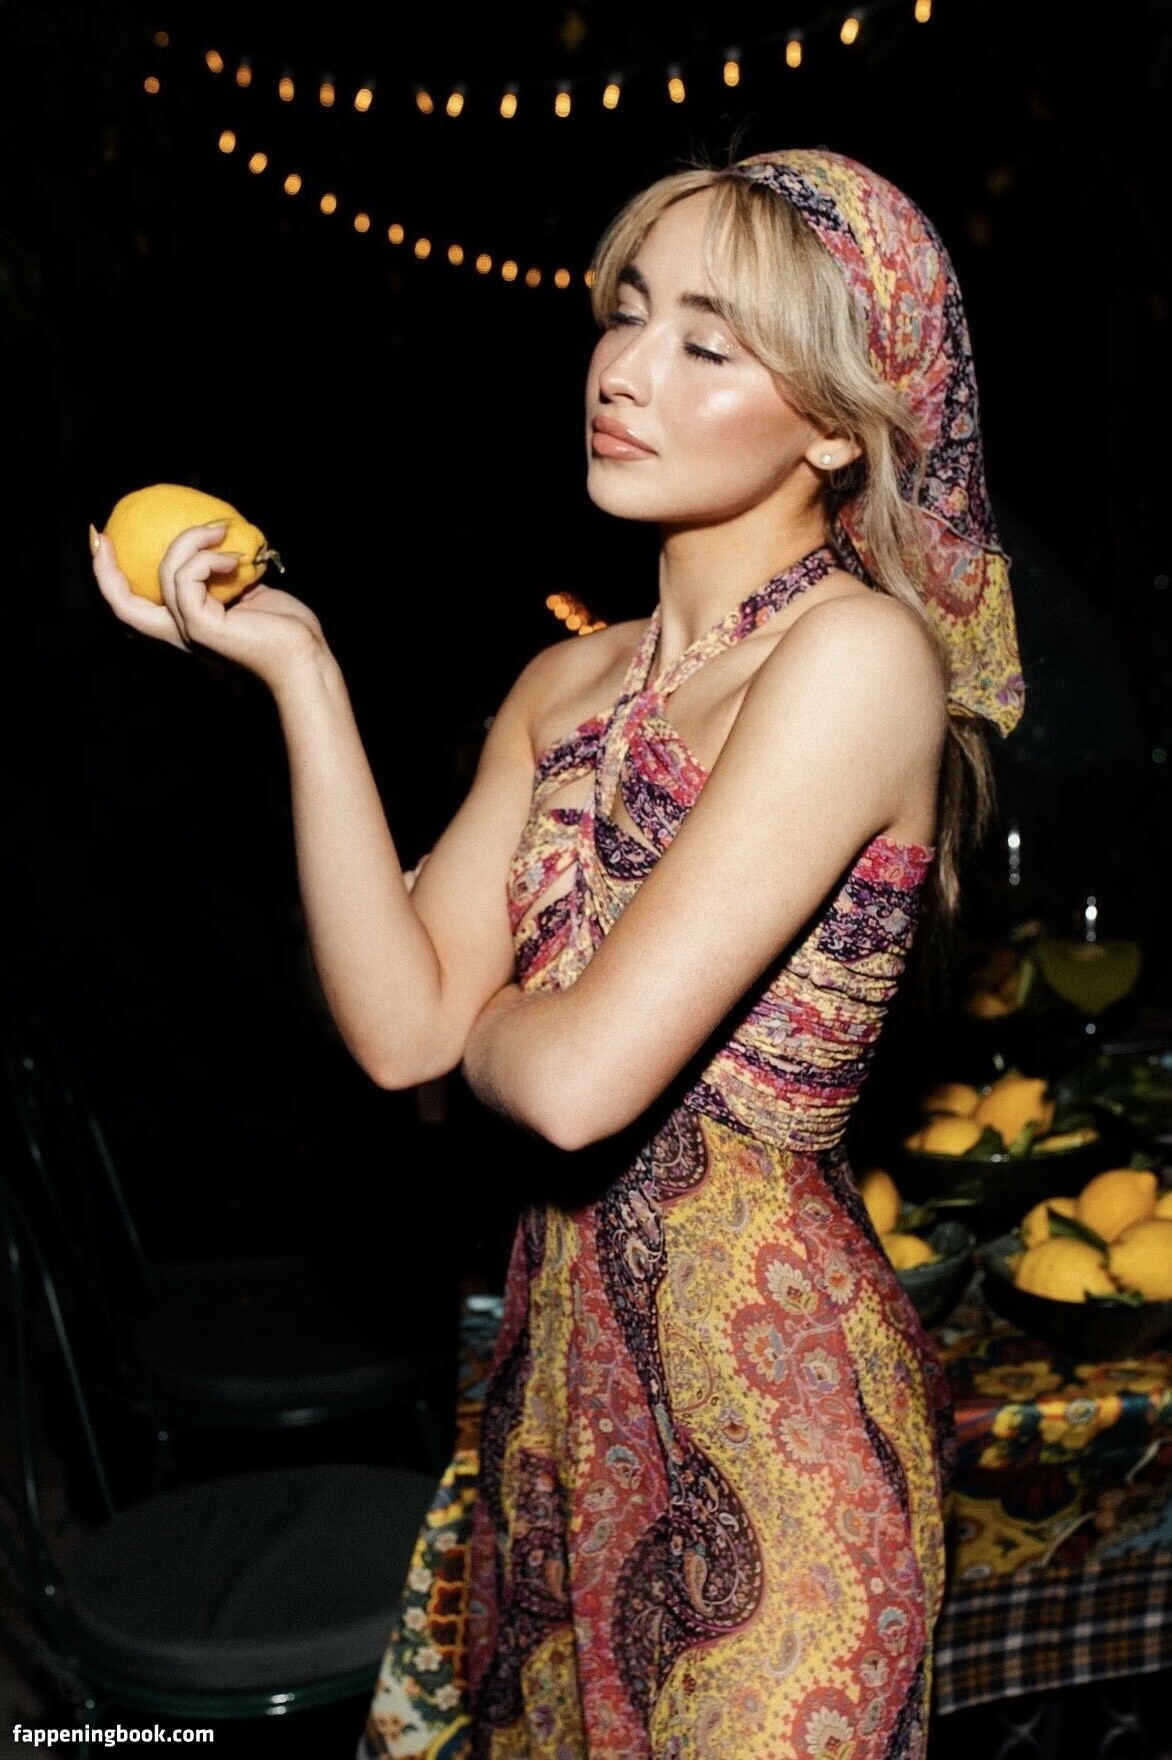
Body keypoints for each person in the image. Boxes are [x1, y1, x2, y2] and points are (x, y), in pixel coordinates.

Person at [91, 145, 1023, 1759]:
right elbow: (398, 1032)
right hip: (557, 1424)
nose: (626, 370)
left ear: (830, 425)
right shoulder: (562, 684)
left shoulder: (858, 659)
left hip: (788, 1460)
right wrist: (300, 676)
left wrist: (496, 1015)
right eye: (627, 314)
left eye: (707, 343)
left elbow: (577, 1084)